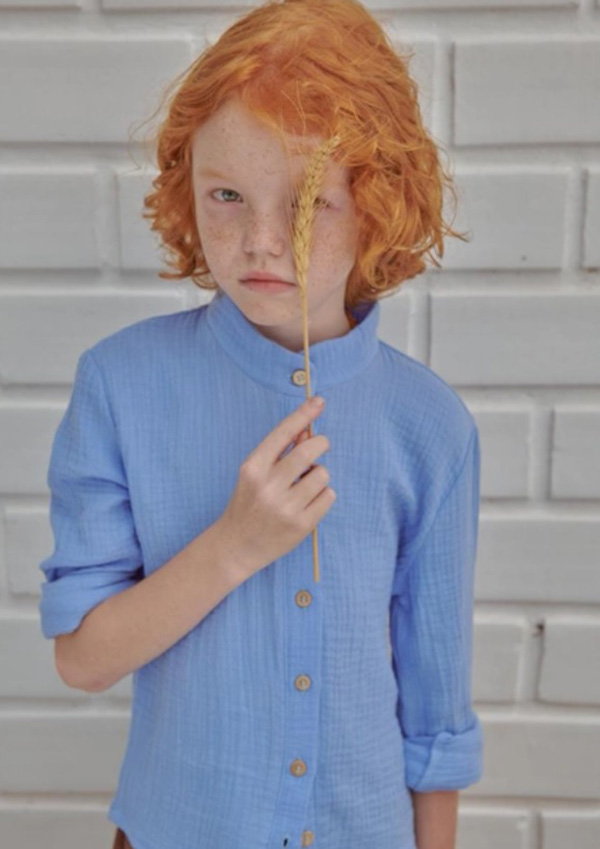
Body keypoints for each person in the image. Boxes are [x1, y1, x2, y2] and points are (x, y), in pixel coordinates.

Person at [38, 1, 483, 848]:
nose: (261, 242)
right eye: (228, 196)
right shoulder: (120, 383)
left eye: (309, 202)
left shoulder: (431, 429)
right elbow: (83, 657)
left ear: (380, 202)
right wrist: (235, 543)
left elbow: (436, 711)